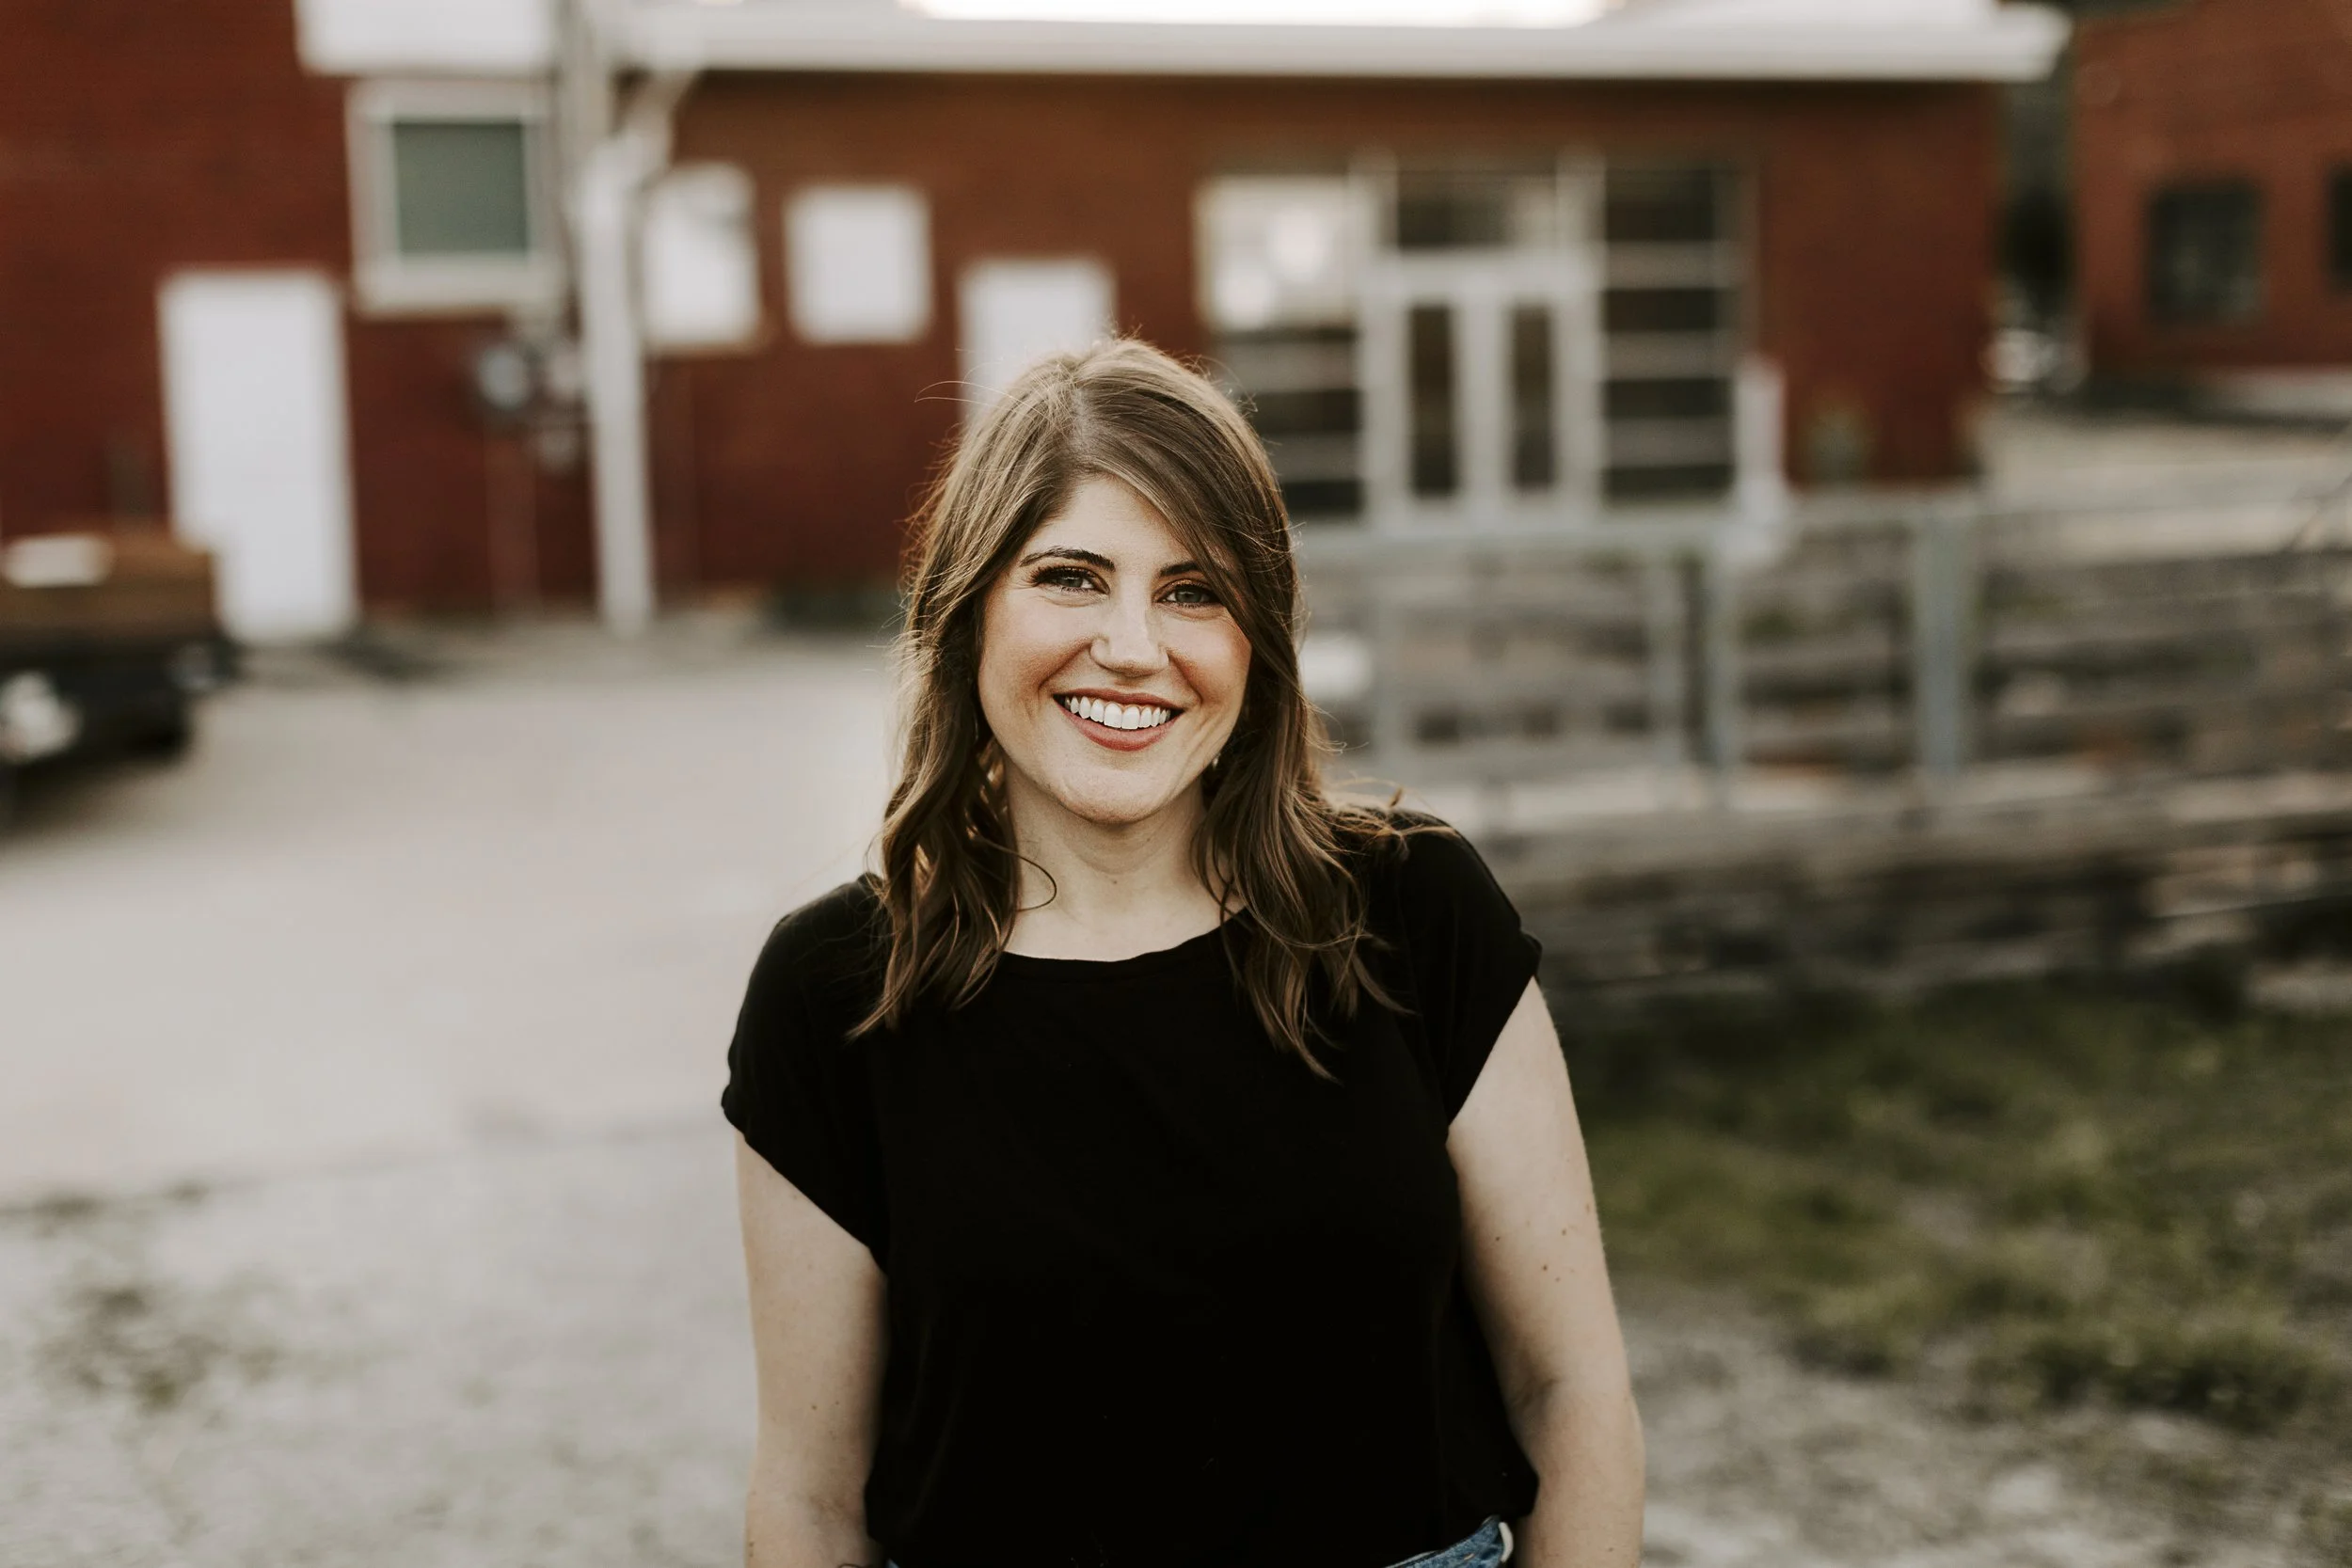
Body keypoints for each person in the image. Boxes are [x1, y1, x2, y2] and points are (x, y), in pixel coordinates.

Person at [723, 339, 1644, 1568]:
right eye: (1070, 576)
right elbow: (810, 1501)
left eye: (1193, 589)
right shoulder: (834, 990)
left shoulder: (1415, 913)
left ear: (1257, 640)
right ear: (969, 608)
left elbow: (1571, 1391)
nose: (1132, 646)